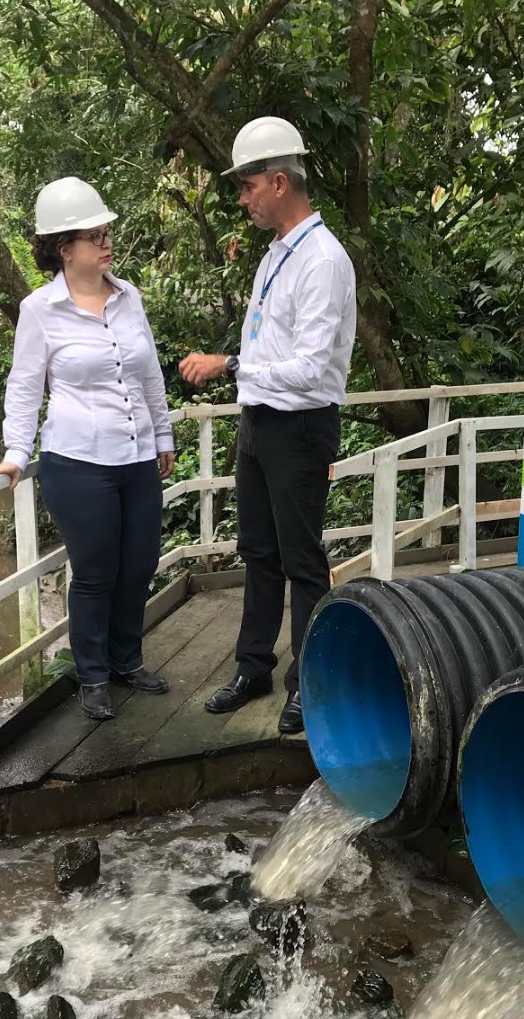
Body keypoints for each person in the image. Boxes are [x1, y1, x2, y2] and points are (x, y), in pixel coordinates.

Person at [178, 116, 356, 736]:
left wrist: (229, 364)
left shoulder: (323, 261)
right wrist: (244, 378)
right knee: (258, 552)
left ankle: (309, 683)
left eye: (248, 186)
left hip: (300, 427)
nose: (243, 199)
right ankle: (253, 667)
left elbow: (310, 369)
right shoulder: (277, 255)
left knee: (301, 560)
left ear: (280, 182)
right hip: (259, 422)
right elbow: (271, 348)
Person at [0, 176, 176, 721]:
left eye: (106, 231)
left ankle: (126, 660)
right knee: (95, 573)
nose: (106, 241)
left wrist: (163, 435)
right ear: (64, 249)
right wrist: (16, 451)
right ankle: (93, 675)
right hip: (78, 462)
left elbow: (149, 374)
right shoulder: (40, 310)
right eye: (94, 235)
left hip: (137, 457)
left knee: (139, 565)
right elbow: (25, 386)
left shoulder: (129, 297)